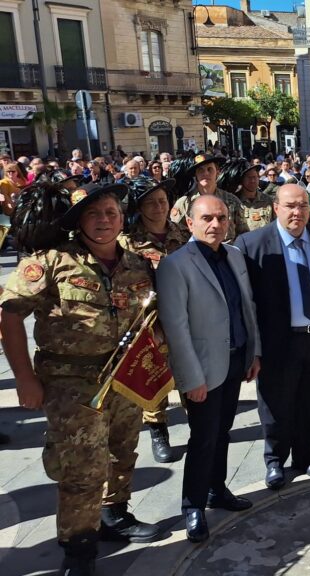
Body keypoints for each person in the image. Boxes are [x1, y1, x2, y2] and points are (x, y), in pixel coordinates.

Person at [0, 182, 163, 574]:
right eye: (94, 214)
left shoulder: (139, 264)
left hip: (124, 379)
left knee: (122, 452)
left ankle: (114, 516)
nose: (104, 221)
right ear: (79, 222)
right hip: (71, 385)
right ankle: (79, 548)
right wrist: (24, 377)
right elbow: (7, 314)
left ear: (123, 219)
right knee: (82, 469)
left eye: (111, 213)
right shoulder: (53, 262)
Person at [157, 196, 261, 543]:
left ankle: (218, 490)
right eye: (207, 218)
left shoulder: (233, 256)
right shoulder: (176, 265)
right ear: (190, 223)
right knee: (202, 438)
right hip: (203, 369)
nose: (215, 224)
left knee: (224, 431)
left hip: (235, 359)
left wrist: (253, 353)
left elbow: (247, 307)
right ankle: (193, 506)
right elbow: (176, 326)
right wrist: (191, 378)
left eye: (221, 218)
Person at [235, 184, 310, 489]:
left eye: (303, 206)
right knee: (275, 405)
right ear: (275, 208)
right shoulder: (251, 244)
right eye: (290, 206)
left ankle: (306, 457)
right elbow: (246, 302)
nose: (297, 212)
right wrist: (253, 349)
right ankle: (275, 461)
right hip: (278, 342)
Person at [119, 176, 192, 463]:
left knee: (189, 373)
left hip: (184, 318)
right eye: (150, 202)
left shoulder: (183, 234)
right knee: (154, 377)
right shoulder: (128, 241)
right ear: (139, 206)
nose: (158, 207)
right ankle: (158, 431)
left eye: (162, 200)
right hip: (149, 323)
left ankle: (198, 425)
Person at [170, 154, 249, 242]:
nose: (205, 173)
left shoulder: (232, 201)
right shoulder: (184, 204)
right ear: (195, 175)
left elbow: (243, 234)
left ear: (217, 172)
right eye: (201, 170)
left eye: (210, 169)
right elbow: (176, 235)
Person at [219, 159, 275, 231]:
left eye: (255, 177)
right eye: (249, 177)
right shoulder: (233, 202)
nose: (253, 181)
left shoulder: (268, 200)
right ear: (242, 180)